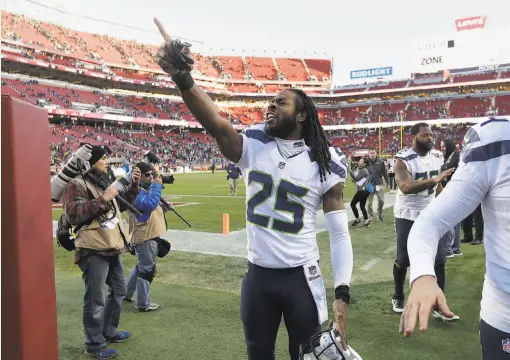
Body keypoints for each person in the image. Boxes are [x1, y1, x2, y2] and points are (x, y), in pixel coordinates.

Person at [154, 18, 353, 360]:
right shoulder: (255, 142)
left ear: (302, 115)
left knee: (305, 356)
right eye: (270, 102)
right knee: (257, 354)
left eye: (281, 102)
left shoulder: (325, 159)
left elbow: (338, 233)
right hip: (258, 275)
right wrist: (183, 79)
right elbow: (216, 124)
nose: (270, 106)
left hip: (301, 278)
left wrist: (342, 292)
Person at [399, 118, 510, 360]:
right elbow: (429, 222)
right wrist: (422, 277)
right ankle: (397, 296)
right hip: (505, 316)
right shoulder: (496, 142)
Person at [62, 145, 133, 359]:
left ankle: (109, 330)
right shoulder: (76, 184)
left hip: (110, 244)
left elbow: (121, 206)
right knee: (95, 299)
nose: (106, 162)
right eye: (103, 158)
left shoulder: (100, 181)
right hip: (92, 246)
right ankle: (94, 344)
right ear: (90, 162)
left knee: (119, 289)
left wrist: (134, 184)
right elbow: (74, 215)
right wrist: (104, 198)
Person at [391, 122, 457, 321]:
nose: (430, 138)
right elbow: (405, 186)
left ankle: (438, 304)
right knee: (405, 258)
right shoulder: (403, 159)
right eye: (425, 135)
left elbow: (437, 188)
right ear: (414, 137)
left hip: (430, 211)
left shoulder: (437, 155)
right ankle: (398, 296)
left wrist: (444, 199)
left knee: (439, 259)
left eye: (431, 135)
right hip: (408, 213)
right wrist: (434, 181)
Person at [124, 162, 166, 312]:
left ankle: (127, 294)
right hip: (144, 237)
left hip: (147, 235)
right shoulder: (134, 192)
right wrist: (156, 186)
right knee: (147, 270)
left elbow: (152, 208)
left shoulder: (141, 189)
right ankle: (143, 304)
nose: (150, 177)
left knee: (140, 267)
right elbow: (149, 204)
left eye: (152, 174)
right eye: (147, 175)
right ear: (138, 176)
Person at [440, 138, 462, 257]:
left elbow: (449, 171)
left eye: (443, 146)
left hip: (453, 190)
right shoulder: (452, 155)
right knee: (455, 221)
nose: (441, 148)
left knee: (449, 219)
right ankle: (456, 248)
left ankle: (449, 249)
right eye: (441, 146)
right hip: (453, 189)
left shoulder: (455, 156)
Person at [347, 156, 371, 228]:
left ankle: (358, 219)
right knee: (362, 206)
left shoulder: (364, 170)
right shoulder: (362, 170)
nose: (359, 162)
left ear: (364, 164)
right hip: (365, 190)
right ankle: (366, 221)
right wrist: (355, 181)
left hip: (361, 191)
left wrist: (348, 169)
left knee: (352, 204)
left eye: (361, 161)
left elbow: (355, 178)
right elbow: (359, 181)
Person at [366, 149, 389, 222]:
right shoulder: (365, 162)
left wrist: (387, 182)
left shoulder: (380, 161)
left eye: (373, 153)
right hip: (369, 185)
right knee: (369, 202)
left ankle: (379, 214)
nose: (372, 154)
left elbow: (385, 172)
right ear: (369, 154)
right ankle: (370, 216)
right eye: (371, 153)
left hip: (379, 184)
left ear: (376, 154)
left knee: (381, 200)